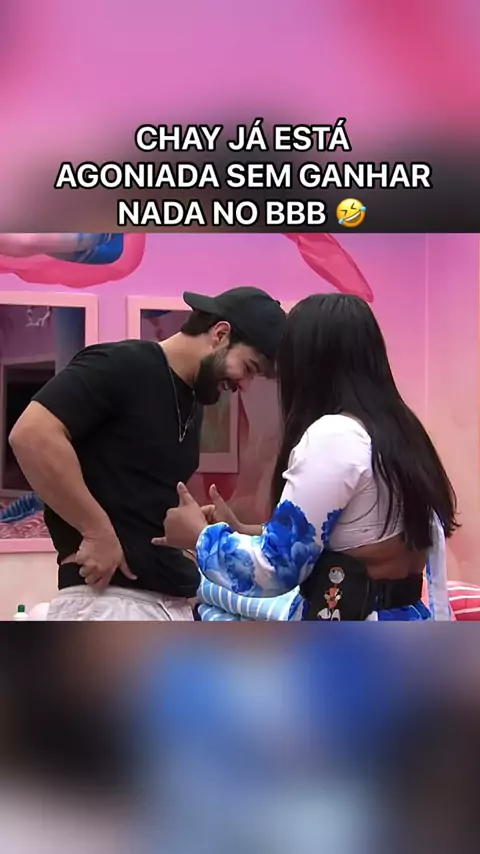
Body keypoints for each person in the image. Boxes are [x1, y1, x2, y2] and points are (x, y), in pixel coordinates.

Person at [158, 293, 458, 621]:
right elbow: (354, 532)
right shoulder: (403, 430)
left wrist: (199, 537)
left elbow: (276, 569)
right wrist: (243, 530)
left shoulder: (335, 436)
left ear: (306, 364)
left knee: (209, 605)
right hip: (407, 616)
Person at [9, 287, 286, 621]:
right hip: (110, 600)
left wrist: (188, 522)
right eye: (249, 367)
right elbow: (32, 434)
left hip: (170, 601)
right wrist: (96, 531)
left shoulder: (192, 402)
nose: (244, 384)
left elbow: (131, 488)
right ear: (220, 334)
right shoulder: (123, 364)